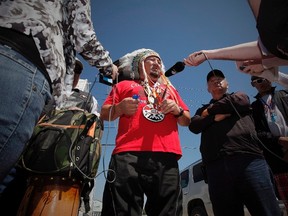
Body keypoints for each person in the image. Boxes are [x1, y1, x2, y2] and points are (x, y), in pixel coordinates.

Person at [0, 0, 118, 183]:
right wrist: (109, 66)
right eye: (74, 70)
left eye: (79, 71)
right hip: (24, 58)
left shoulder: (86, 99)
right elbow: (82, 33)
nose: (76, 73)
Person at [0, 58, 100, 215]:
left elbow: (92, 132)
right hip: (24, 161)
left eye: (77, 70)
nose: (72, 73)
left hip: (62, 169)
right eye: (69, 67)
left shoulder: (88, 99)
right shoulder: (42, 89)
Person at [100, 48, 190, 216]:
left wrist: (177, 110)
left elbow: (186, 120)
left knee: (168, 212)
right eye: (151, 60)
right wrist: (119, 108)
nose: (157, 63)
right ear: (139, 65)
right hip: (128, 154)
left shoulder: (171, 90)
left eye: (159, 61)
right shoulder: (123, 85)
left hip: (166, 155)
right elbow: (104, 114)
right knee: (122, 210)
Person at [188, 69, 281, 216]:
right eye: (212, 81)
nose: (216, 81)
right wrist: (214, 118)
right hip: (216, 167)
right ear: (208, 89)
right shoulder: (200, 109)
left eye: (220, 79)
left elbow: (240, 101)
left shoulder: (239, 96)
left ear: (227, 84)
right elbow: (194, 125)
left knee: (267, 211)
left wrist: (209, 112)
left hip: (249, 161)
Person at [250, 75, 288, 214]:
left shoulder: (284, 94)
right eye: (259, 80)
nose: (264, 81)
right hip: (278, 159)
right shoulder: (254, 107)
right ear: (253, 84)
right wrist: (278, 140)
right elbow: (257, 133)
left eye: (266, 77)